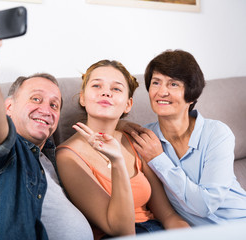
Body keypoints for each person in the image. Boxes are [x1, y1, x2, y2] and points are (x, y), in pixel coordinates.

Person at [0, 16, 93, 240]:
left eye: (54, 105)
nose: (47, 110)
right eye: (36, 99)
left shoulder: (51, 157)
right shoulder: (5, 151)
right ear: (8, 107)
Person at [55, 59, 189, 240]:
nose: (105, 92)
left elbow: (167, 215)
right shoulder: (68, 156)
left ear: (128, 104)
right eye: (96, 85)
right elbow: (120, 230)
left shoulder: (134, 140)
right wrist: (117, 162)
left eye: (116, 89)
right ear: (82, 97)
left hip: (156, 230)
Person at [122, 49, 246, 226]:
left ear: (192, 95)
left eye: (173, 84)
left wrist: (158, 159)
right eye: (156, 83)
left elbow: (205, 206)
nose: (161, 92)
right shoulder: (145, 139)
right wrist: (120, 124)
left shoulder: (217, 133)